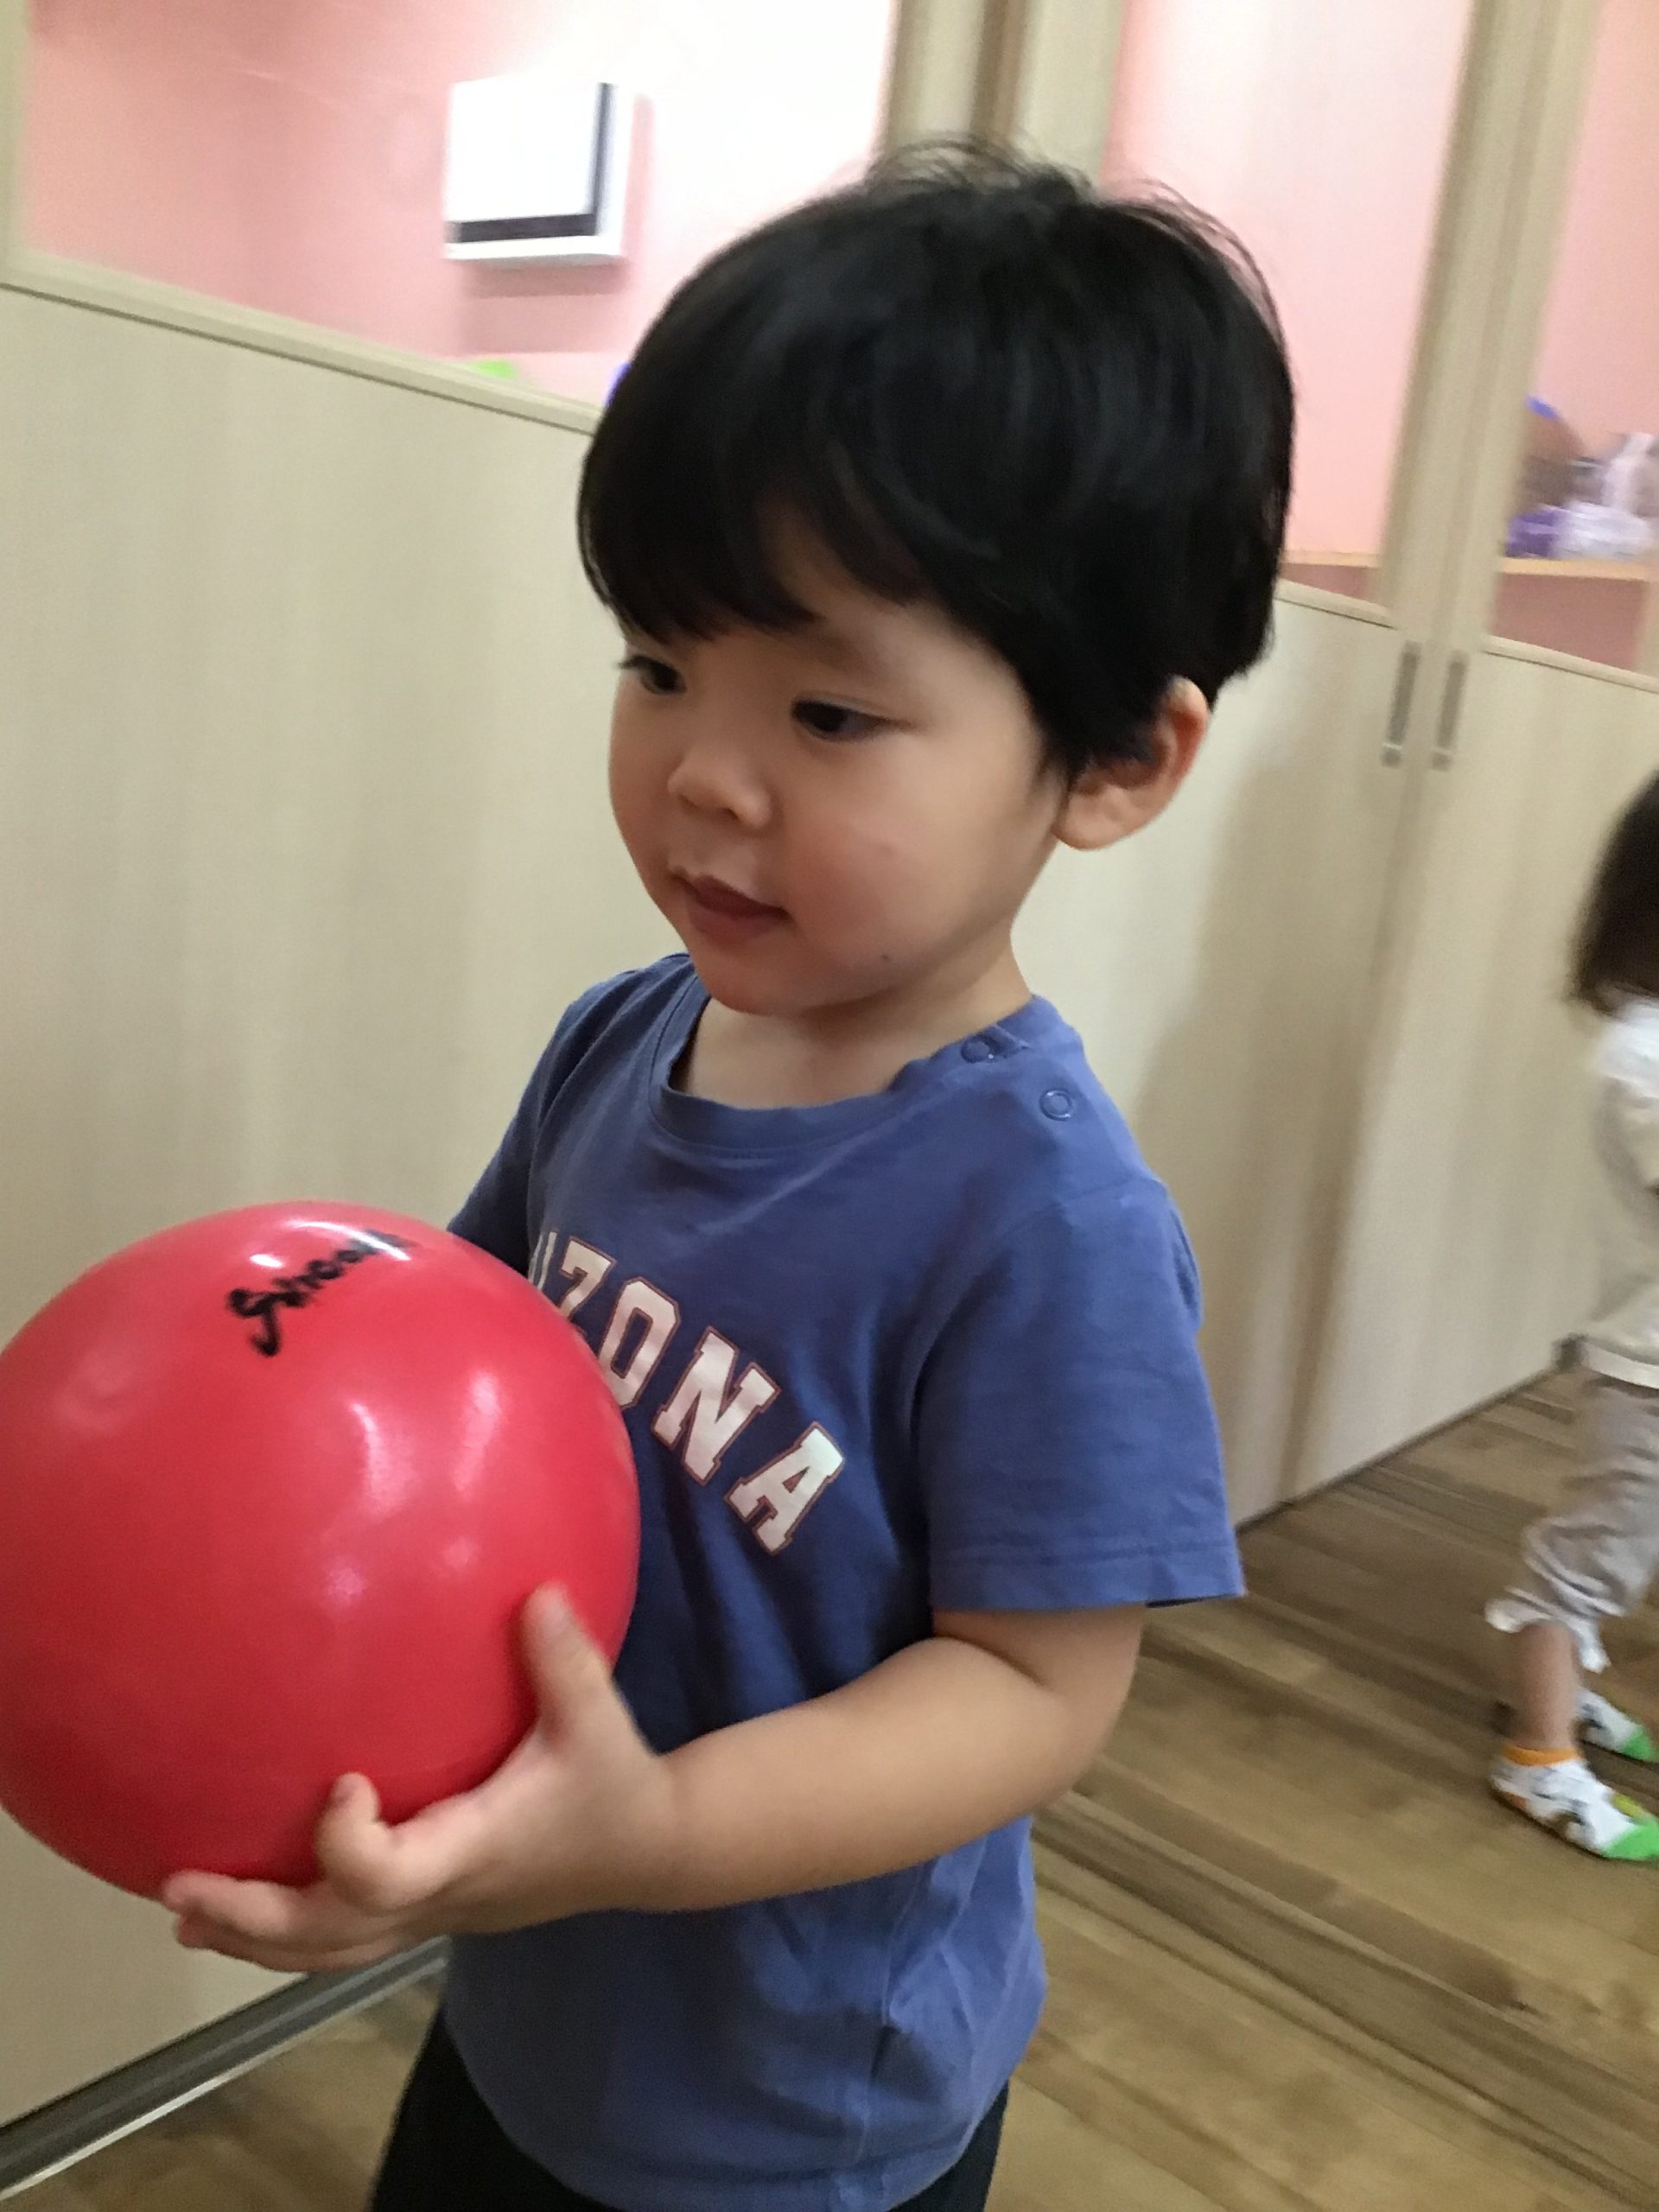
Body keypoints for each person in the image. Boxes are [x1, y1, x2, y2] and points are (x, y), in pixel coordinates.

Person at [163, 148, 1294, 2209]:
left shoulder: (1042, 1215)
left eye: (830, 708)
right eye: (658, 665)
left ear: (1120, 759)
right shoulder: (622, 1034)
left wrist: (653, 1830)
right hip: (532, 1982)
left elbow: (1035, 1686)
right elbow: (451, 1355)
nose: (701, 769)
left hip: (795, 2110)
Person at [1488, 770, 1659, 1860]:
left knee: (1622, 1555)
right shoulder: (1643, 1057)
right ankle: (1538, 1754)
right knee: (1586, 1560)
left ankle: (1561, 1684)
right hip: (1648, 1382)